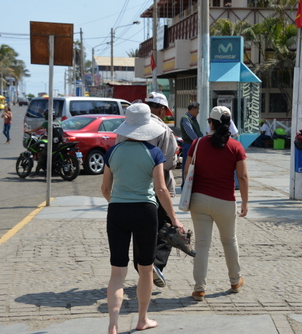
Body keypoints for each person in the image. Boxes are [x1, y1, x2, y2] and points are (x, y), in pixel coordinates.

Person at [101, 103, 185, 334]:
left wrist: (118, 202)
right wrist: (174, 218)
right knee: (145, 268)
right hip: (145, 212)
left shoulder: (113, 152)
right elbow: (161, 190)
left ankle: (113, 325)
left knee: (117, 272)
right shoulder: (154, 153)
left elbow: (105, 188)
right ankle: (142, 320)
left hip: (117, 211)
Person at [184, 105, 249, 301]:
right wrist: (245, 202)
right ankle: (235, 281)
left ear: (210, 123)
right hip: (225, 201)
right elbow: (243, 176)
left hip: (199, 200)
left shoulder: (197, 144)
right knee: (229, 241)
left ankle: (199, 288)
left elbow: (187, 171)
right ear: (229, 124)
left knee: (202, 245)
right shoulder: (236, 146)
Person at [116, 91, 179, 288]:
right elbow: (168, 162)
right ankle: (154, 265)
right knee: (166, 227)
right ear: (160, 109)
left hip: (127, 190)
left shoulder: (123, 130)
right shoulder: (163, 130)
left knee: (138, 230)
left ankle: (141, 265)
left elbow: (117, 158)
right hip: (156, 188)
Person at [25, 111, 63, 176]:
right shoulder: (58, 122)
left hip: (52, 143)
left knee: (42, 155)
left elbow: (38, 129)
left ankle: (37, 171)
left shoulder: (47, 122)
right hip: (59, 142)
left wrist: (29, 131)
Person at [180, 102, 203, 187]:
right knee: (187, 167)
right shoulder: (185, 119)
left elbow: (198, 132)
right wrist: (199, 142)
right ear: (193, 109)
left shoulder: (193, 119)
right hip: (189, 146)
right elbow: (191, 133)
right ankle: (185, 186)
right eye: (197, 110)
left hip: (195, 144)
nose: (198, 111)